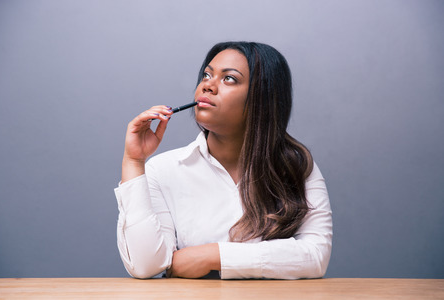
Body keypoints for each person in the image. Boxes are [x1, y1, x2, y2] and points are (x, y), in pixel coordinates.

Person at [114, 41, 332, 279]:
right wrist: (134, 162)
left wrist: (213, 256)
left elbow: (315, 256)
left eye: (229, 79)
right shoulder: (163, 170)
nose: (208, 85)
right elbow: (146, 266)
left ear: (262, 97)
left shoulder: (295, 167)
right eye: (207, 75)